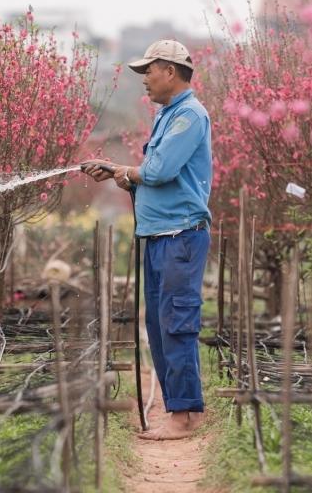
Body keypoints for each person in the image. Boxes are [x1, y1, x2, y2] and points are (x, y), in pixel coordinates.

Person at [84, 40, 212, 440]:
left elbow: (157, 171)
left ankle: (185, 414)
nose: (144, 80)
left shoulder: (188, 115)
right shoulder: (167, 115)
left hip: (180, 238)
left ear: (170, 71)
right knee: (157, 326)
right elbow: (153, 178)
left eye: (149, 71)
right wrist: (121, 174)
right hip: (159, 235)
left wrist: (126, 169)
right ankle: (180, 409)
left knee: (177, 323)